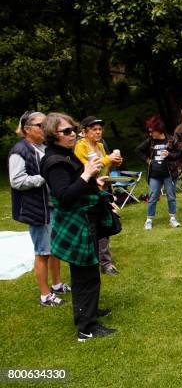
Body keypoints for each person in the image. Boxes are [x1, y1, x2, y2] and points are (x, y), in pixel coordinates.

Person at [40, 113, 116, 342]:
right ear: (53, 135)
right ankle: (86, 327)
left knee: (89, 271)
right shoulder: (55, 162)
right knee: (85, 274)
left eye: (73, 129)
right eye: (66, 131)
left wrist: (95, 183)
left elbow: (77, 184)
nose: (72, 133)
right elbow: (64, 197)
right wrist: (87, 174)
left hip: (84, 219)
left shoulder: (65, 154)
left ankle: (90, 312)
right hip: (76, 221)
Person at [9, 111, 70, 306]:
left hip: (51, 204)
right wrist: (44, 176)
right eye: (40, 125)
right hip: (36, 208)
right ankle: (45, 295)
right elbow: (16, 181)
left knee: (54, 249)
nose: (45, 129)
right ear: (27, 130)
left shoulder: (44, 147)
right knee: (42, 252)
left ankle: (57, 284)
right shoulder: (20, 151)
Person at [74, 116, 123, 276]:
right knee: (91, 227)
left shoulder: (101, 146)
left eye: (100, 129)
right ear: (84, 132)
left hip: (104, 188)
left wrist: (115, 162)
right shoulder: (80, 146)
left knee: (106, 225)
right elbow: (85, 167)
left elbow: (104, 165)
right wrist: (108, 158)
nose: (98, 132)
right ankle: (94, 260)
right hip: (89, 191)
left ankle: (106, 263)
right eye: (94, 129)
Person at [135, 116, 181, 230]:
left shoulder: (171, 140)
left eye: (152, 131)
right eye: (149, 131)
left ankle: (173, 218)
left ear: (159, 130)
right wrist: (148, 161)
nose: (150, 134)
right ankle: (149, 220)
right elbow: (138, 150)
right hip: (155, 175)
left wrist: (169, 155)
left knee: (171, 196)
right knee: (152, 197)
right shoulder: (150, 141)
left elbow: (178, 154)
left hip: (168, 174)